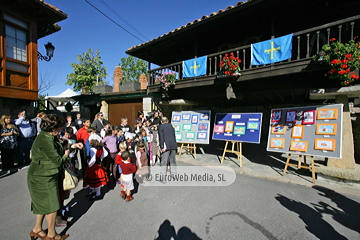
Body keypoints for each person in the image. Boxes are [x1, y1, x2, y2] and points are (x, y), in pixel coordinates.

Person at [27, 114, 70, 240]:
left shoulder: (46, 136)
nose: (61, 130)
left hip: (42, 175)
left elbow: (55, 149)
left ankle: (37, 229)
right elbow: (57, 160)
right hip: (42, 177)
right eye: (60, 128)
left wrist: (69, 145)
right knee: (52, 205)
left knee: (41, 204)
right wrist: (67, 155)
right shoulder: (45, 139)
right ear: (54, 128)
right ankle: (51, 235)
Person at [158, 117, 177, 182]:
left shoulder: (161, 127)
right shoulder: (171, 127)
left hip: (166, 146)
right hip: (173, 145)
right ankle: (174, 175)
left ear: (161, 121)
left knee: (164, 162)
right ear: (167, 121)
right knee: (173, 161)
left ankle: (163, 178)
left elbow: (161, 137)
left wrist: (162, 146)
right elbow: (174, 136)